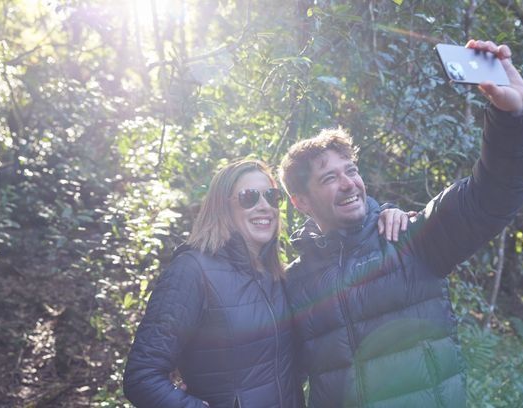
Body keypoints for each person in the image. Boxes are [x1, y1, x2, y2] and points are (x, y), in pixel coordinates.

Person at [278, 40, 523, 407]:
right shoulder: (293, 283)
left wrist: (515, 119)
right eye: (329, 178)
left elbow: (492, 196)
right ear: (301, 202)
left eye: (350, 171)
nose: (348, 183)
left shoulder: (408, 238)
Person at [122, 159, 411, 408]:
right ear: (222, 207)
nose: (264, 207)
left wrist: (382, 215)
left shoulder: (277, 276)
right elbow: (142, 377)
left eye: (272, 197)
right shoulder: (192, 270)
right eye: (249, 197)